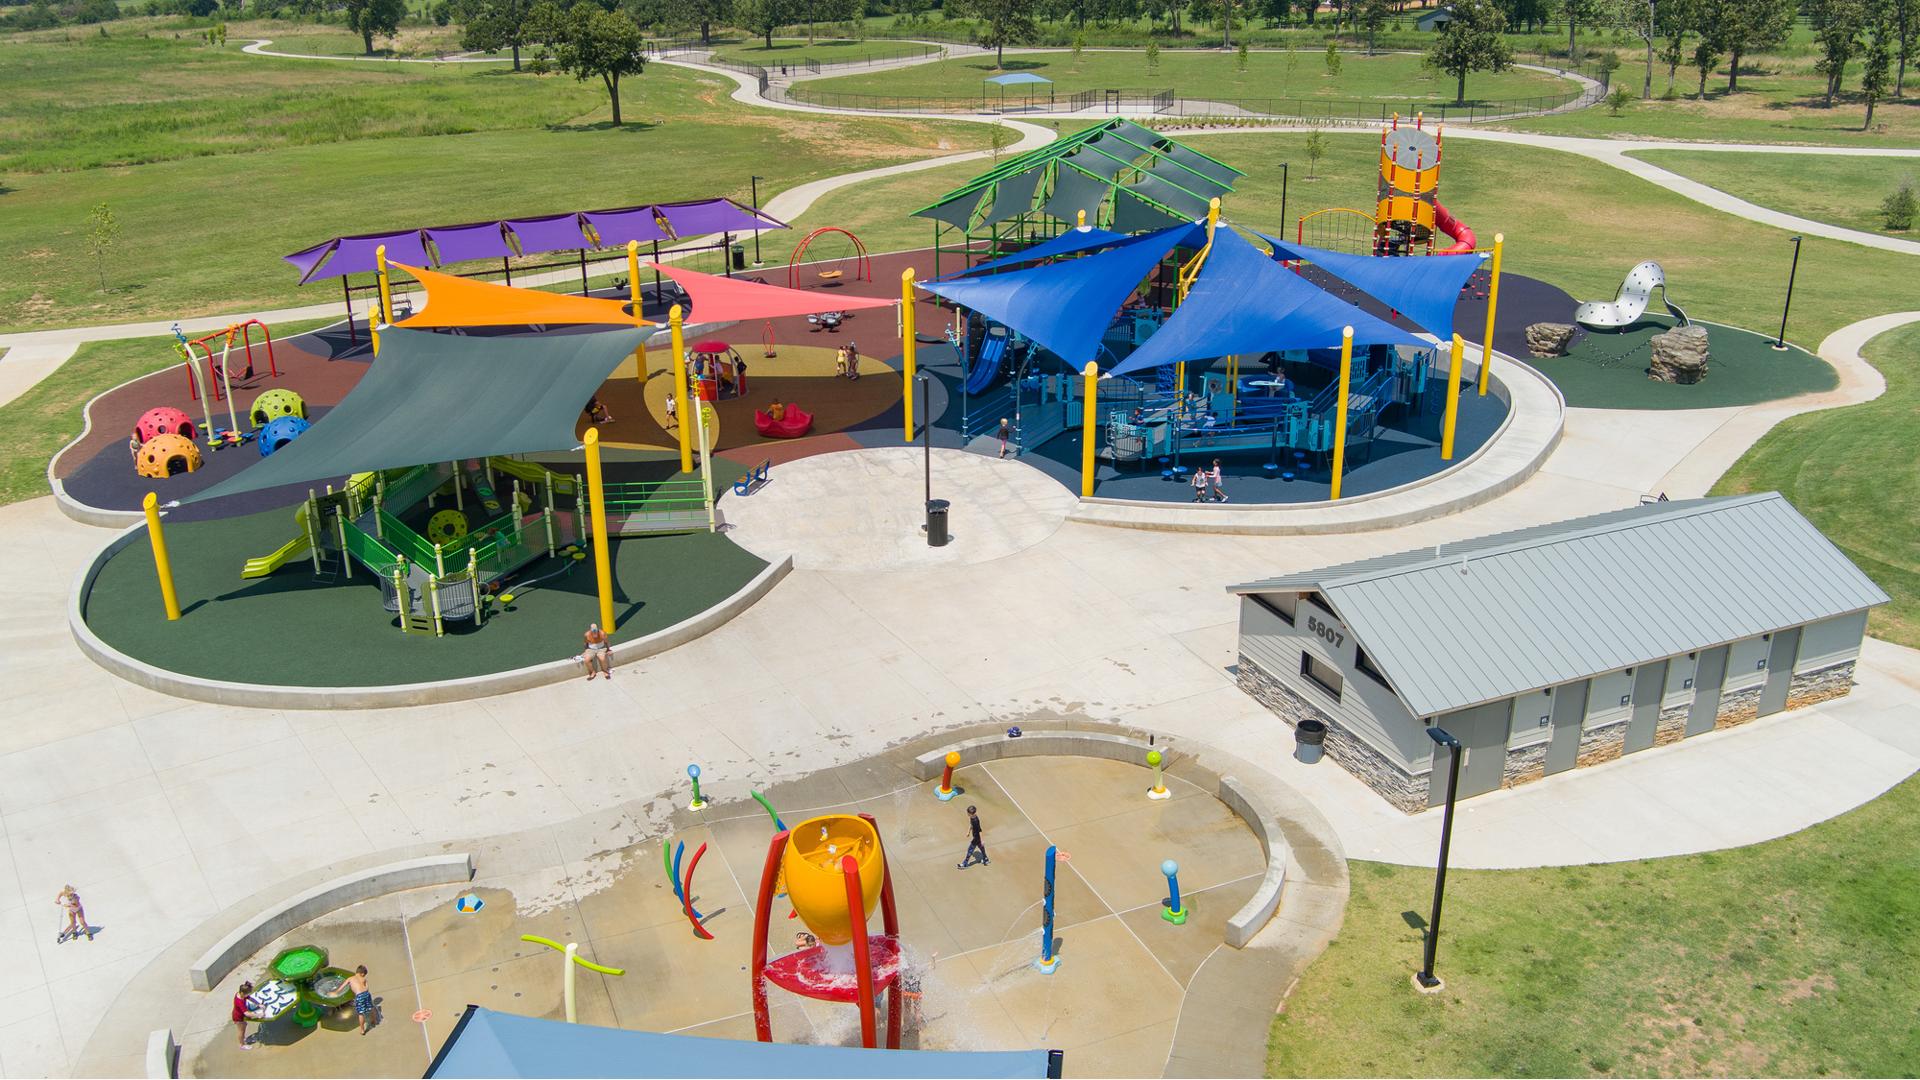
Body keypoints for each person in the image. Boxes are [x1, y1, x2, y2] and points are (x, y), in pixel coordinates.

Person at [347, 965, 376, 1035]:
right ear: (362, 973)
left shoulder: (350, 979)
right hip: (366, 994)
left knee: (361, 1013)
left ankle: (362, 1030)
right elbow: (367, 989)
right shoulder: (364, 979)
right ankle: (373, 1021)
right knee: (371, 1007)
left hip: (359, 996)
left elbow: (346, 987)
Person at [233, 981, 255, 1050]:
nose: (247, 995)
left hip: (241, 1016)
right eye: (247, 994)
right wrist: (258, 1014)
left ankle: (243, 1039)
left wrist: (258, 1004)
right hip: (238, 1018)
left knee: (244, 1025)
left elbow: (250, 998)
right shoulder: (239, 1001)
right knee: (241, 1031)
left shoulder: (241, 994)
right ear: (242, 993)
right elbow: (246, 1013)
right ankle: (242, 1045)